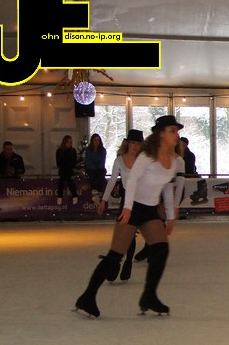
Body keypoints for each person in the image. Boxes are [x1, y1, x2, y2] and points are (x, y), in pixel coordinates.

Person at [74, 116, 182, 318]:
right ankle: (87, 297)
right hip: (134, 208)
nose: (176, 134)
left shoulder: (174, 160)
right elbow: (132, 180)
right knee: (115, 256)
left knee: (161, 249)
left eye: (177, 131)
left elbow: (167, 188)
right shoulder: (147, 156)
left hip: (150, 210)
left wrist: (170, 216)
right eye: (172, 131)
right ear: (161, 134)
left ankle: (149, 296)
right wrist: (128, 208)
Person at [97, 129, 145, 282]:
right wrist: (104, 200)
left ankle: (128, 262)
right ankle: (116, 262)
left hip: (140, 199)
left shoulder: (144, 160)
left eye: (138, 143)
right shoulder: (119, 160)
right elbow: (112, 181)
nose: (135, 146)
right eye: (132, 143)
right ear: (128, 143)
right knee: (121, 231)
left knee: (131, 233)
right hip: (126, 199)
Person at [83, 133, 107, 203]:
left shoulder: (103, 150)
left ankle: (99, 192)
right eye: (95, 140)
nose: (96, 142)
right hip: (90, 169)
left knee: (101, 174)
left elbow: (102, 161)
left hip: (100, 168)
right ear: (92, 141)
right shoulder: (89, 150)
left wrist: (98, 168)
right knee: (93, 175)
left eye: (98, 140)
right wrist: (94, 168)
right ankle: (95, 191)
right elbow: (88, 162)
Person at [55, 135, 79, 205]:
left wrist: (69, 166)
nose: (69, 144)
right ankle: (62, 196)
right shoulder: (59, 151)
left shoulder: (73, 151)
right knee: (62, 178)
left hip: (70, 170)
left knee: (68, 178)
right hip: (63, 170)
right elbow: (59, 163)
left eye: (71, 142)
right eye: (68, 142)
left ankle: (62, 196)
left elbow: (74, 162)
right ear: (64, 142)